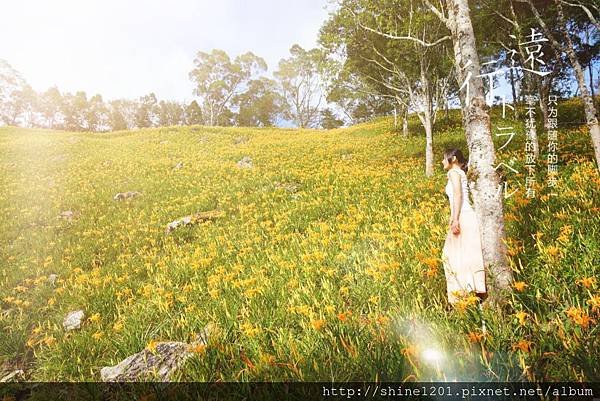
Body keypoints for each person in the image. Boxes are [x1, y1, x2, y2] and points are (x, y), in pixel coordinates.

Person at [441, 148, 487, 307]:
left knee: (452, 256)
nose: (442, 162)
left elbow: (458, 195)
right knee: (468, 255)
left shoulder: (453, 173)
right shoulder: (461, 173)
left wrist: (455, 219)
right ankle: (476, 292)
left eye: (444, 158)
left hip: (463, 216)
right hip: (468, 215)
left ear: (453, 159)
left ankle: (464, 295)